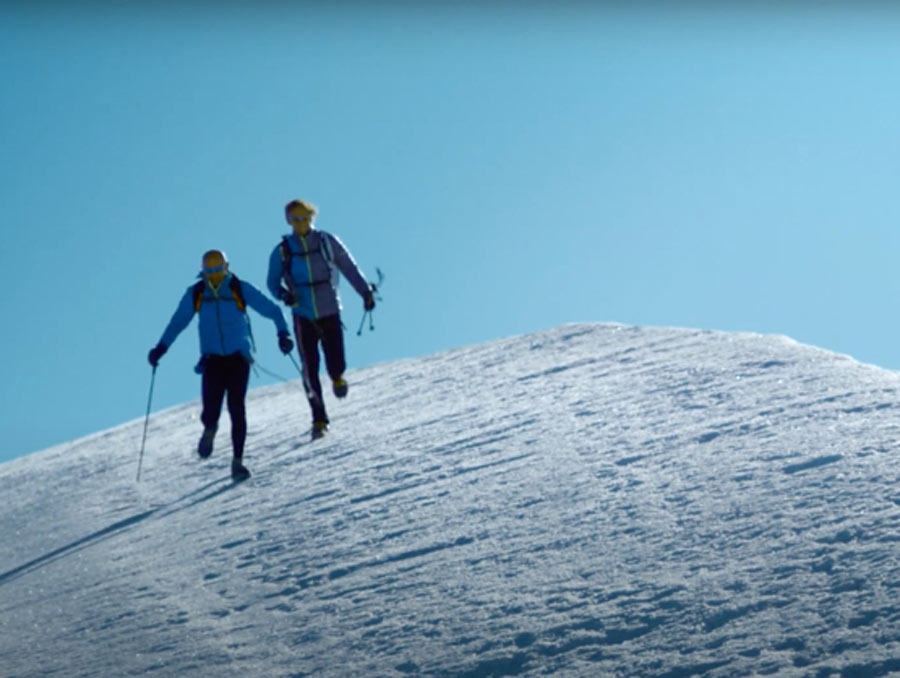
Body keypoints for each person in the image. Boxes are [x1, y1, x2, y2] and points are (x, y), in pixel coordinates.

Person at [148, 249, 294, 480]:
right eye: (210, 271)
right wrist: (161, 347)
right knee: (211, 408)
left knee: (237, 406)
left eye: (218, 270)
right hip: (212, 359)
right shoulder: (196, 293)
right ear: (203, 272)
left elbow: (273, 310)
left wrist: (283, 334)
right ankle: (210, 428)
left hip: (238, 357)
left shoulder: (239, 288)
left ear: (226, 268)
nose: (214, 275)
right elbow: (178, 322)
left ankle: (237, 461)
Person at [267, 199, 375, 440]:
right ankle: (319, 418)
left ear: (312, 217)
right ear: (288, 221)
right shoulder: (283, 250)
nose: (301, 222)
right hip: (302, 314)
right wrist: (284, 295)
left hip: (329, 309)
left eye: (304, 217)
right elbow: (272, 282)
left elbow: (348, 267)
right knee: (309, 369)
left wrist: (365, 291)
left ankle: (337, 377)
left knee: (335, 359)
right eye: (295, 219)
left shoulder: (327, 242)